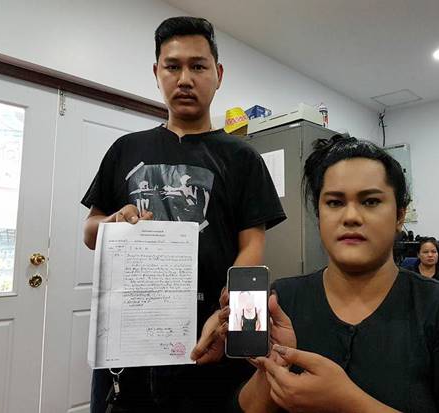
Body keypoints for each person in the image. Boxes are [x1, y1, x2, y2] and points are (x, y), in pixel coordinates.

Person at [81, 16, 286, 412]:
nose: (185, 79)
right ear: (156, 73)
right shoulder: (125, 149)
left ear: (218, 75)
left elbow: (252, 248)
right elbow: (90, 231)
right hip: (129, 341)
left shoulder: (243, 158)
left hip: (210, 341)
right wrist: (113, 223)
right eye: (172, 66)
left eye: (198, 66)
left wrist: (235, 323)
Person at [226, 135, 439, 412]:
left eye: (370, 201)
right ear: (319, 215)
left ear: (399, 216)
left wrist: (346, 403)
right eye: (334, 202)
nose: (351, 216)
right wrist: (271, 369)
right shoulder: (282, 301)